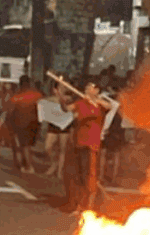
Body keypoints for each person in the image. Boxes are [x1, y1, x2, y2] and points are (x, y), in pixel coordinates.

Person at [64, 78, 113, 213]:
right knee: (79, 175)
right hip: (79, 143)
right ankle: (79, 204)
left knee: (90, 176)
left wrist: (96, 100)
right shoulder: (80, 103)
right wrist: (61, 97)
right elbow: (66, 108)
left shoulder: (100, 105)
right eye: (86, 88)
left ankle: (89, 206)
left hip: (92, 145)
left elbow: (110, 106)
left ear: (96, 90)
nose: (87, 90)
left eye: (90, 87)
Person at [5, 75, 44, 174]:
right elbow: (42, 108)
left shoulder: (16, 96)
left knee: (24, 145)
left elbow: (10, 111)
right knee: (27, 145)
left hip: (21, 124)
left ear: (20, 83)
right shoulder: (37, 94)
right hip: (34, 124)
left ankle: (29, 166)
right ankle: (25, 164)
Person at [43, 79, 72, 180]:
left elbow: (66, 107)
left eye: (64, 86)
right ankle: (54, 163)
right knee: (48, 147)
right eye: (61, 86)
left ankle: (60, 171)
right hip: (53, 124)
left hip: (64, 124)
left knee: (62, 149)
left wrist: (61, 98)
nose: (63, 88)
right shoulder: (52, 98)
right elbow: (46, 101)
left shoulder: (69, 98)